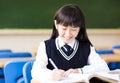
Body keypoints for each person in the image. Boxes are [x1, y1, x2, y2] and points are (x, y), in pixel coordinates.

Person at [31, 4, 109, 81]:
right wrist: (50, 75)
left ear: (80, 28)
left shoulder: (86, 47)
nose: (68, 34)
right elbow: (35, 71)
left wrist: (80, 71)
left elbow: (104, 68)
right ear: (56, 24)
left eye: (74, 29)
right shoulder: (45, 46)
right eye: (64, 29)